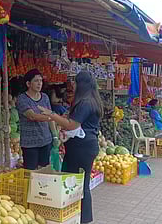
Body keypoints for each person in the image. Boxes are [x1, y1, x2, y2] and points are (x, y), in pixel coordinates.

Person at [38, 71, 102, 224]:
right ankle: (78, 217)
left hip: (81, 148)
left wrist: (52, 115)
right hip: (85, 146)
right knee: (79, 184)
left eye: (75, 81)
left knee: (76, 184)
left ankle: (79, 218)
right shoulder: (92, 100)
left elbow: (72, 124)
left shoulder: (86, 102)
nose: (73, 84)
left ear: (82, 84)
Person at [16, 69, 55, 170]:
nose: (39, 83)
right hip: (30, 143)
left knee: (44, 171)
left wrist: (54, 136)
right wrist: (52, 117)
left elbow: (51, 119)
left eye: (41, 81)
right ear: (28, 83)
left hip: (46, 140)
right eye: (36, 81)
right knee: (31, 172)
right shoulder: (22, 99)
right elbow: (32, 116)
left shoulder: (45, 97)